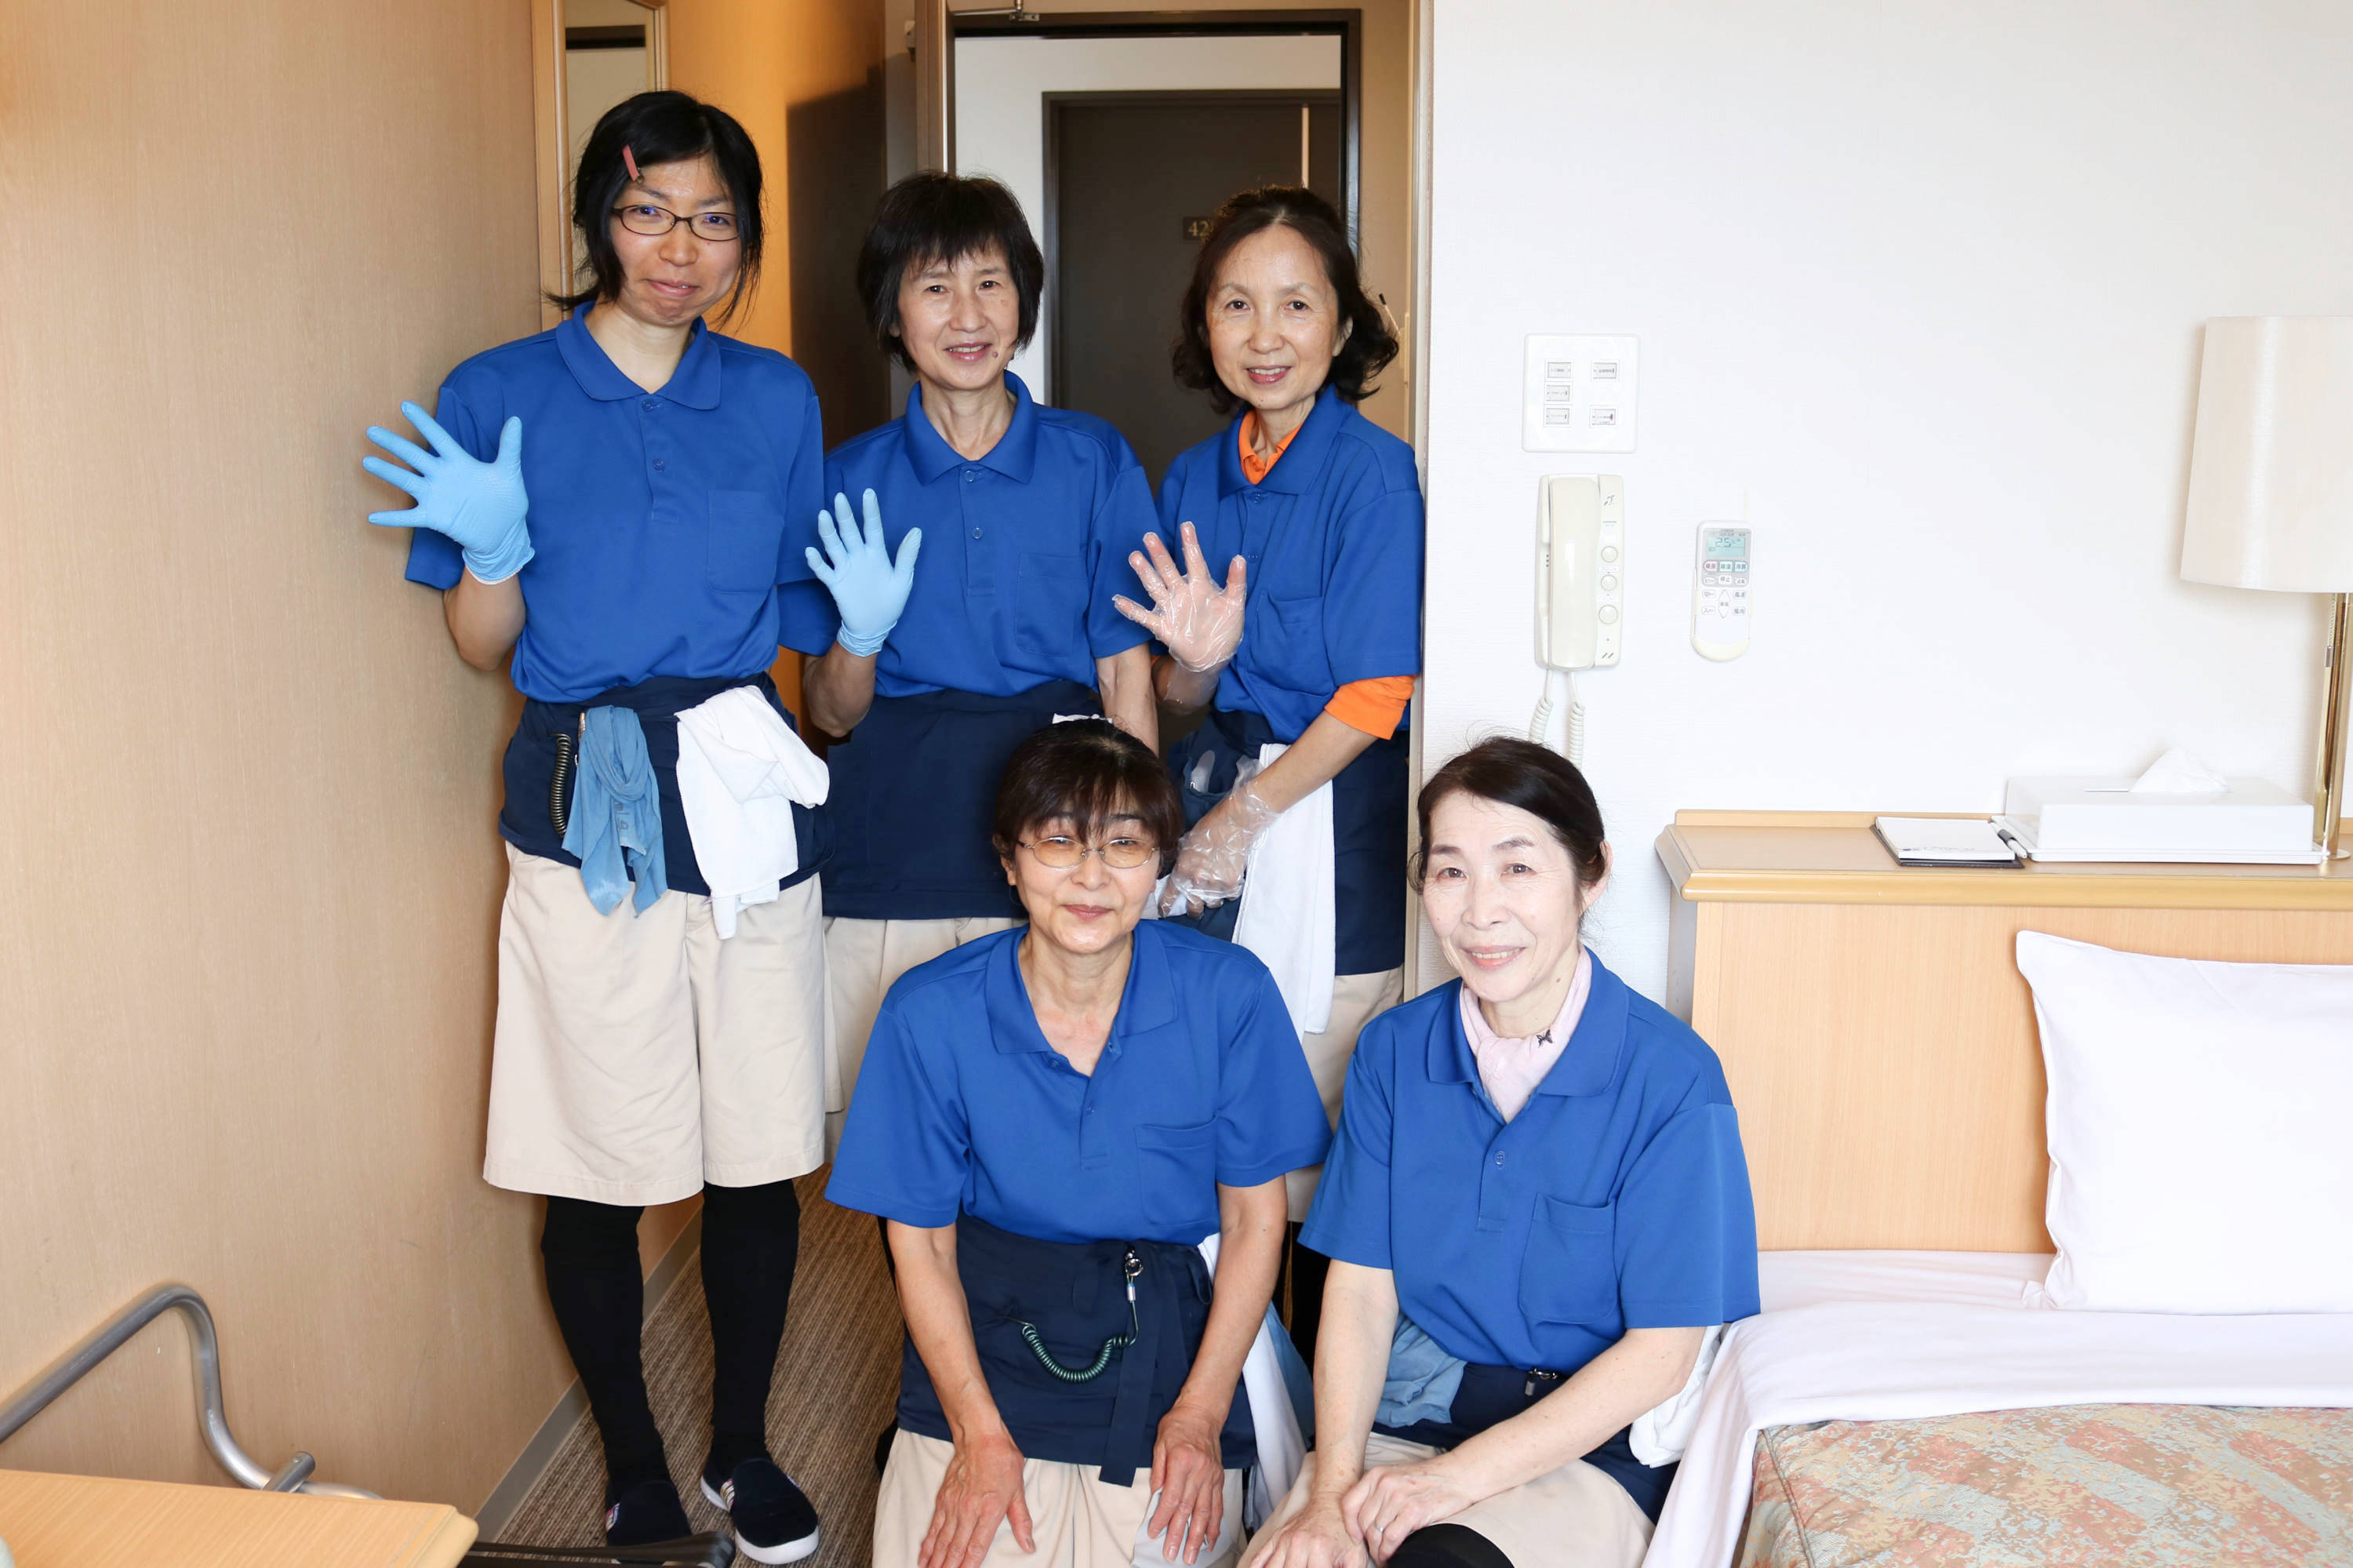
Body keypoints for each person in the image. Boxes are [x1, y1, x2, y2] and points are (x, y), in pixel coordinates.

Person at [360, 91, 829, 1562]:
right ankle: (629, 1455)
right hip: (585, 795)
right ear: (595, 217)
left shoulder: (775, 397)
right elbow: (479, 642)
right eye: (646, 211)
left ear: (744, 237)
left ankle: (743, 1447)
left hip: (745, 793)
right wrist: (494, 554)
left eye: (712, 220)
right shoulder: (502, 388)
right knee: (592, 1149)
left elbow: (816, 630)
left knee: (757, 1146)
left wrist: (861, 648)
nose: (677, 249)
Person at [1241, 738, 1761, 1568]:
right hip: (1406, 1422)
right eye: (1451, 872)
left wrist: (1451, 1483)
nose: (1481, 911)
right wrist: (1332, 1492)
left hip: (1581, 1452)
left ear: (1591, 876)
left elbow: (1663, 1352)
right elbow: (1364, 1292)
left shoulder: (1672, 1079)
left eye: (1517, 869)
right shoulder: (1395, 1052)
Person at [826, 720, 1332, 1568]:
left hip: (1169, 1330)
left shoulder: (1228, 995)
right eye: (1060, 842)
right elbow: (920, 1242)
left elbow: (1253, 1226)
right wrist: (978, 1434)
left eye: (1125, 846)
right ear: (1010, 858)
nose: (1092, 877)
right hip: (988, 1322)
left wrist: (1199, 1415)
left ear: (1160, 861)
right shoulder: (929, 1010)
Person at [789, 173, 1161, 1157]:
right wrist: (860, 637)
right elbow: (827, 711)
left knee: (1050, 1114)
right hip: (890, 829)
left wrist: (1134, 844)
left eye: (991, 285)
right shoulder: (846, 477)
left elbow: (1125, 672)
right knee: (900, 1125)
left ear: (1023, 303)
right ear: (892, 310)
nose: (967, 316)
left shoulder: (1092, 459)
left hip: (1050, 820)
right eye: (935, 286)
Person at [1115, 186, 1419, 1356]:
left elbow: (1376, 693)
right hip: (1210, 799)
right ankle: (1224, 1394)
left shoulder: (1370, 474)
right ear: (1207, 325)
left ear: (1341, 327)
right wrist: (1190, 669)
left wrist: (1244, 817)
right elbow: (1183, 687)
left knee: (1319, 1117)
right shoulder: (1191, 475)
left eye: (1297, 304)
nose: (1266, 332)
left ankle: (1313, 1411)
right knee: (1210, 1096)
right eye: (1237, 304)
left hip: (1325, 821)